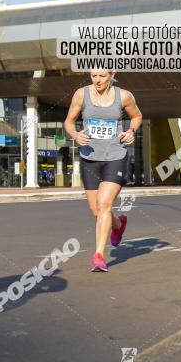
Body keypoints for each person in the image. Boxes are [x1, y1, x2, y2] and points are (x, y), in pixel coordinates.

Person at [64, 70, 142, 272]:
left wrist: (131, 131)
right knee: (96, 211)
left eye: (102, 76)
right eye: (93, 76)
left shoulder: (123, 96)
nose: (97, 80)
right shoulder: (81, 94)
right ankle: (118, 225)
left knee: (104, 204)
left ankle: (98, 255)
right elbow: (69, 122)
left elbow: (136, 116)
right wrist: (75, 135)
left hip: (115, 156)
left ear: (111, 74)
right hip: (89, 157)